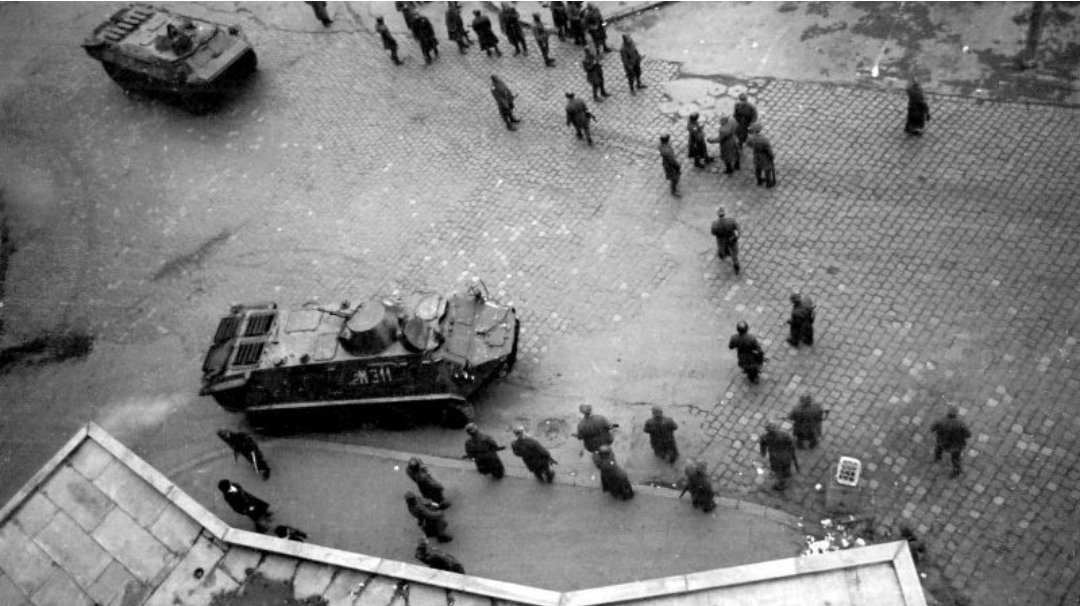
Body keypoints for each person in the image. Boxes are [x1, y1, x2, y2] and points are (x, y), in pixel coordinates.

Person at [931, 406, 970, 478]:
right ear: (956, 414)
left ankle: (937, 458)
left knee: (938, 449)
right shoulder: (961, 424)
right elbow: (968, 435)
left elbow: (932, 428)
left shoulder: (940, 421)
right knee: (955, 459)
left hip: (942, 442)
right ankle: (956, 471)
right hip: (956, 445)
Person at [758, 423, 799, 491]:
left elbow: (763, 447)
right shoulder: (785, 435)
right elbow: (792, 442)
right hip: (786, 454)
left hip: (775, 457)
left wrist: (763, 454)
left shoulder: (764, 437)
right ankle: (787, 474)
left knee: (778, 470)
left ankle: (781, 485)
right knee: (786, 466)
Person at [710, 206, 740, 275]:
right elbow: (738, 229)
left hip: (721, 241)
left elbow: (713, 233)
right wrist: (737, 237)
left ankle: (722, 255)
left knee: (721, 249)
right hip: (731, 240)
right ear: (724, 213)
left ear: (717, 214)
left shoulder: (714, 224)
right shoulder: (731, 221)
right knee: (734, 254)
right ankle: (736, 267)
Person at [746, 123, 776, 188]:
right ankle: (768, 182)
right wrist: (772, 156)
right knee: (767, 169)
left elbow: (748, 144)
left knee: (758, 168)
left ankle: (759, 180)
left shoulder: (751, 138)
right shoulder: (764, 139)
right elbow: (769, 150)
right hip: (765, 156)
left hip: (756, 154)